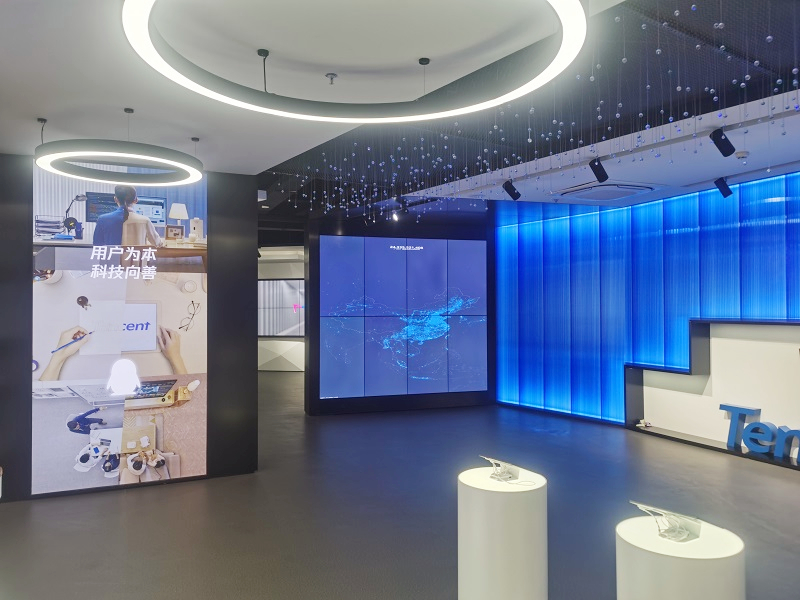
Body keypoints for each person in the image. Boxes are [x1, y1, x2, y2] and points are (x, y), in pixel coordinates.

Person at [93, 185, 162, 247]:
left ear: (115, 199)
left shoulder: (102, 219)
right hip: (136, 257)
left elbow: (97, 246)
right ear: (136, 200)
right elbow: (158, 243)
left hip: (111, 257)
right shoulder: (145, 221)